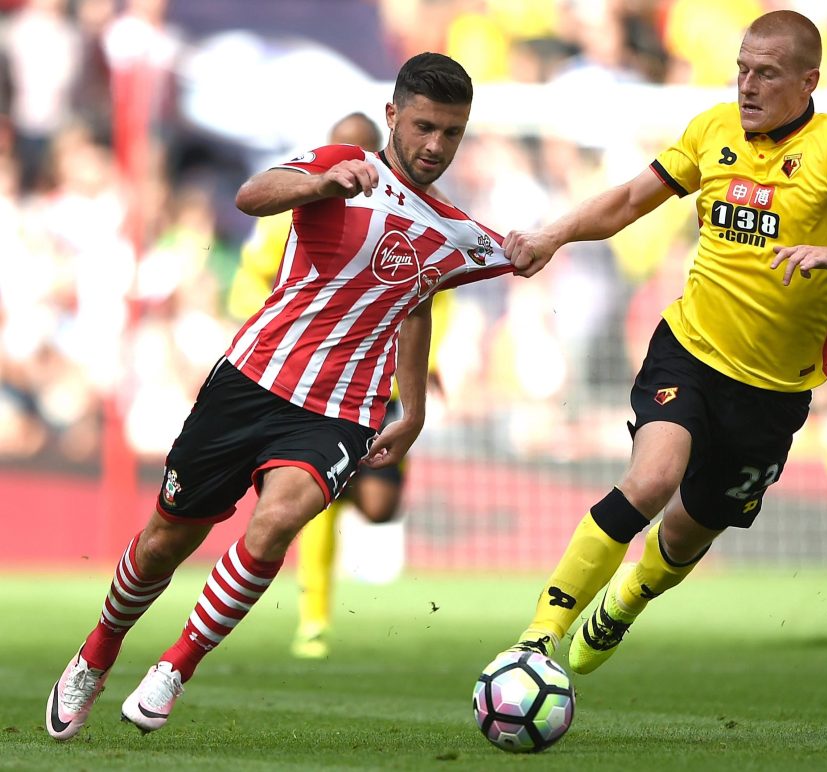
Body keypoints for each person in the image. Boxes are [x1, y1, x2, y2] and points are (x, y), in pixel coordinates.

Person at [46, 51, 514, 741]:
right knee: (162, 543)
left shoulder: (450, 226)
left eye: (451, 132)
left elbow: (418, 303)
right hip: (251, 382)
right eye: (423, 127)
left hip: (340, 411)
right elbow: (251, 195)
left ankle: (176, 667)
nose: (435, 145)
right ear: (393, 116)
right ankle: (98, 651)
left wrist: (411, 410)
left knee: (280, 518)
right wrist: (323, 182)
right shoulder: (341, 162)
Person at [500, 10, 827, 676]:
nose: (747, 85)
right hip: (691, 349)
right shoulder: (712, 130)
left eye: (766, 73)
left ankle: (625, 599)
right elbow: (626, 201)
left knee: (687, 530)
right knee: (651, 479)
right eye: (742, 69)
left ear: (808, 80)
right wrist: (551, 235)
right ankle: (539, 635)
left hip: (773, 390)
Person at [288, 111, 449, 659]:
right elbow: (260, 282)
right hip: (313, 378)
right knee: (314, 501)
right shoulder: (305, 209)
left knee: (378, 506)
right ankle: (313, 619)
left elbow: (430, 294)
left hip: (380, 386)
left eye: (361, 153)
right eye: (342, 151)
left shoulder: (408, 216)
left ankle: (344, 480)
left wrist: (429, 363)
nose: (352, 163)